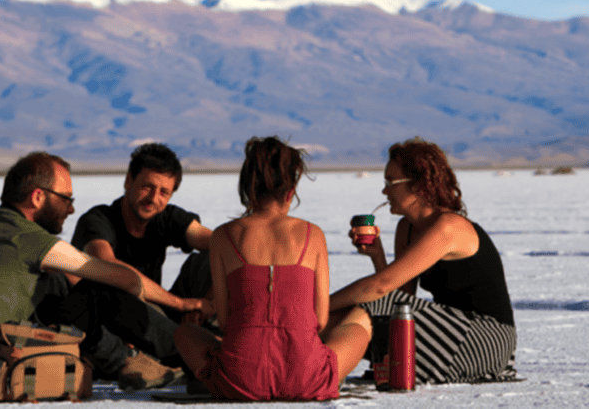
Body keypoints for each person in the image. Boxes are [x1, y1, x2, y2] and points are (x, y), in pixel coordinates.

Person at [0, 152, 183, 401]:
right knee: (98, 293)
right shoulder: (24, 237)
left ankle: (131, 362)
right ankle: (192, 355)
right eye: (65, 198)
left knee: (59, 284)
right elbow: (118, 277)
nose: (71, 209)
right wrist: (182, 304)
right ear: (38, 197)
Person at [173, 136, 371, 401]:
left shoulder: (223, 236)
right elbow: (320, 320)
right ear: (292, 187)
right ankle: (318, 372)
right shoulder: (313, 234)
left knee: (185, 333)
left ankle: (219, 371)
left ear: (248, 185)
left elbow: (225, 318)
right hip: (307, 379)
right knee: (359, 328)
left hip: (238, 380)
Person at [328, 138, 517, 384]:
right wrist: (378, 256)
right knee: (330, 322)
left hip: (486, 339)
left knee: (346, 311)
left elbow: (380, 288)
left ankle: (321, 379)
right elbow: (399, 298)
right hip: (444, 331)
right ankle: (310, 372)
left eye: (390, 182)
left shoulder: (449, 227)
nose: (384, 191)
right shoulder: (406, 227)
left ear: (419, 185)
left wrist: (315, 307)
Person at [70, 143, 215, 327]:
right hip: (106, 317)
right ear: (128, 181)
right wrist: (181, 304)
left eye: (164, 192)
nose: (154, 198)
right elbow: (107, 265)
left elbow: (218, 242)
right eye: (147, 187)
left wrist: (210, 302)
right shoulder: (97, 220)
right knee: (120, 290)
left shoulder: (167, 217)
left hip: (155, 313)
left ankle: (206, 325)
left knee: (207, 260)